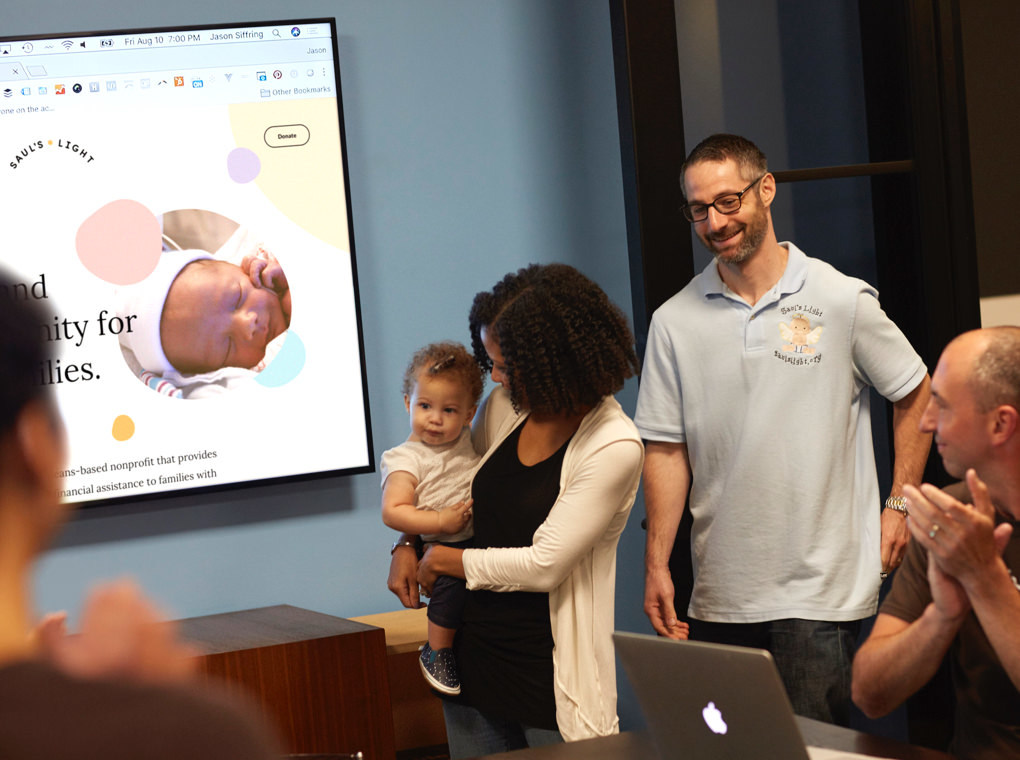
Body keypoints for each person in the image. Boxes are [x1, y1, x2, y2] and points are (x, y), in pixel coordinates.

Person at [634, 133, 932, 725]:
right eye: (699, 209)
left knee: (812, 752)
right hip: (720, 592)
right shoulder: (672, 321)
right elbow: (666, 449)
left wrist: (899, 504)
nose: (715, 223)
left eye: (728, 201)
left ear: (765, 189)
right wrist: (657, 563)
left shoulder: (840, 299)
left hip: (820, 592)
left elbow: (916, 391)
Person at [0, 267, 279, 759]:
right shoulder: (189, 736)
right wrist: (161, 723)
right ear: (36, 448)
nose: (249, 323)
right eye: (224, 346)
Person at [388, 263, 643, 756]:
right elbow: (448, 482)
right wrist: (407, 542)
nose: (496, 378)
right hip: (473, 668)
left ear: (555, 360)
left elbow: (545, 564)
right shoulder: (505, 407)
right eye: (492, 363)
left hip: (550, 687)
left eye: (507, 366)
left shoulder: (613, 444)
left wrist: (448, 560)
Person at [852, 327, 1020, 759]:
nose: (926, 422)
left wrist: (984, 577)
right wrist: (941, 618)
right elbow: (869, 694)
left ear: (1001, 423)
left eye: (942, 405)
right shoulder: (951, 516)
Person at [380, 341, 483, 695]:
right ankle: (437, 651)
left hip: (480, 542)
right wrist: (439, 522)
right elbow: (393, 510)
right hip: (443, 542)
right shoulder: (405, 458)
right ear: (408, 403)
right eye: (425, 406)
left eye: (449, 410)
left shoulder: (468, 438)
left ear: (469, 415)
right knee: (450, 593)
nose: (435, 419)